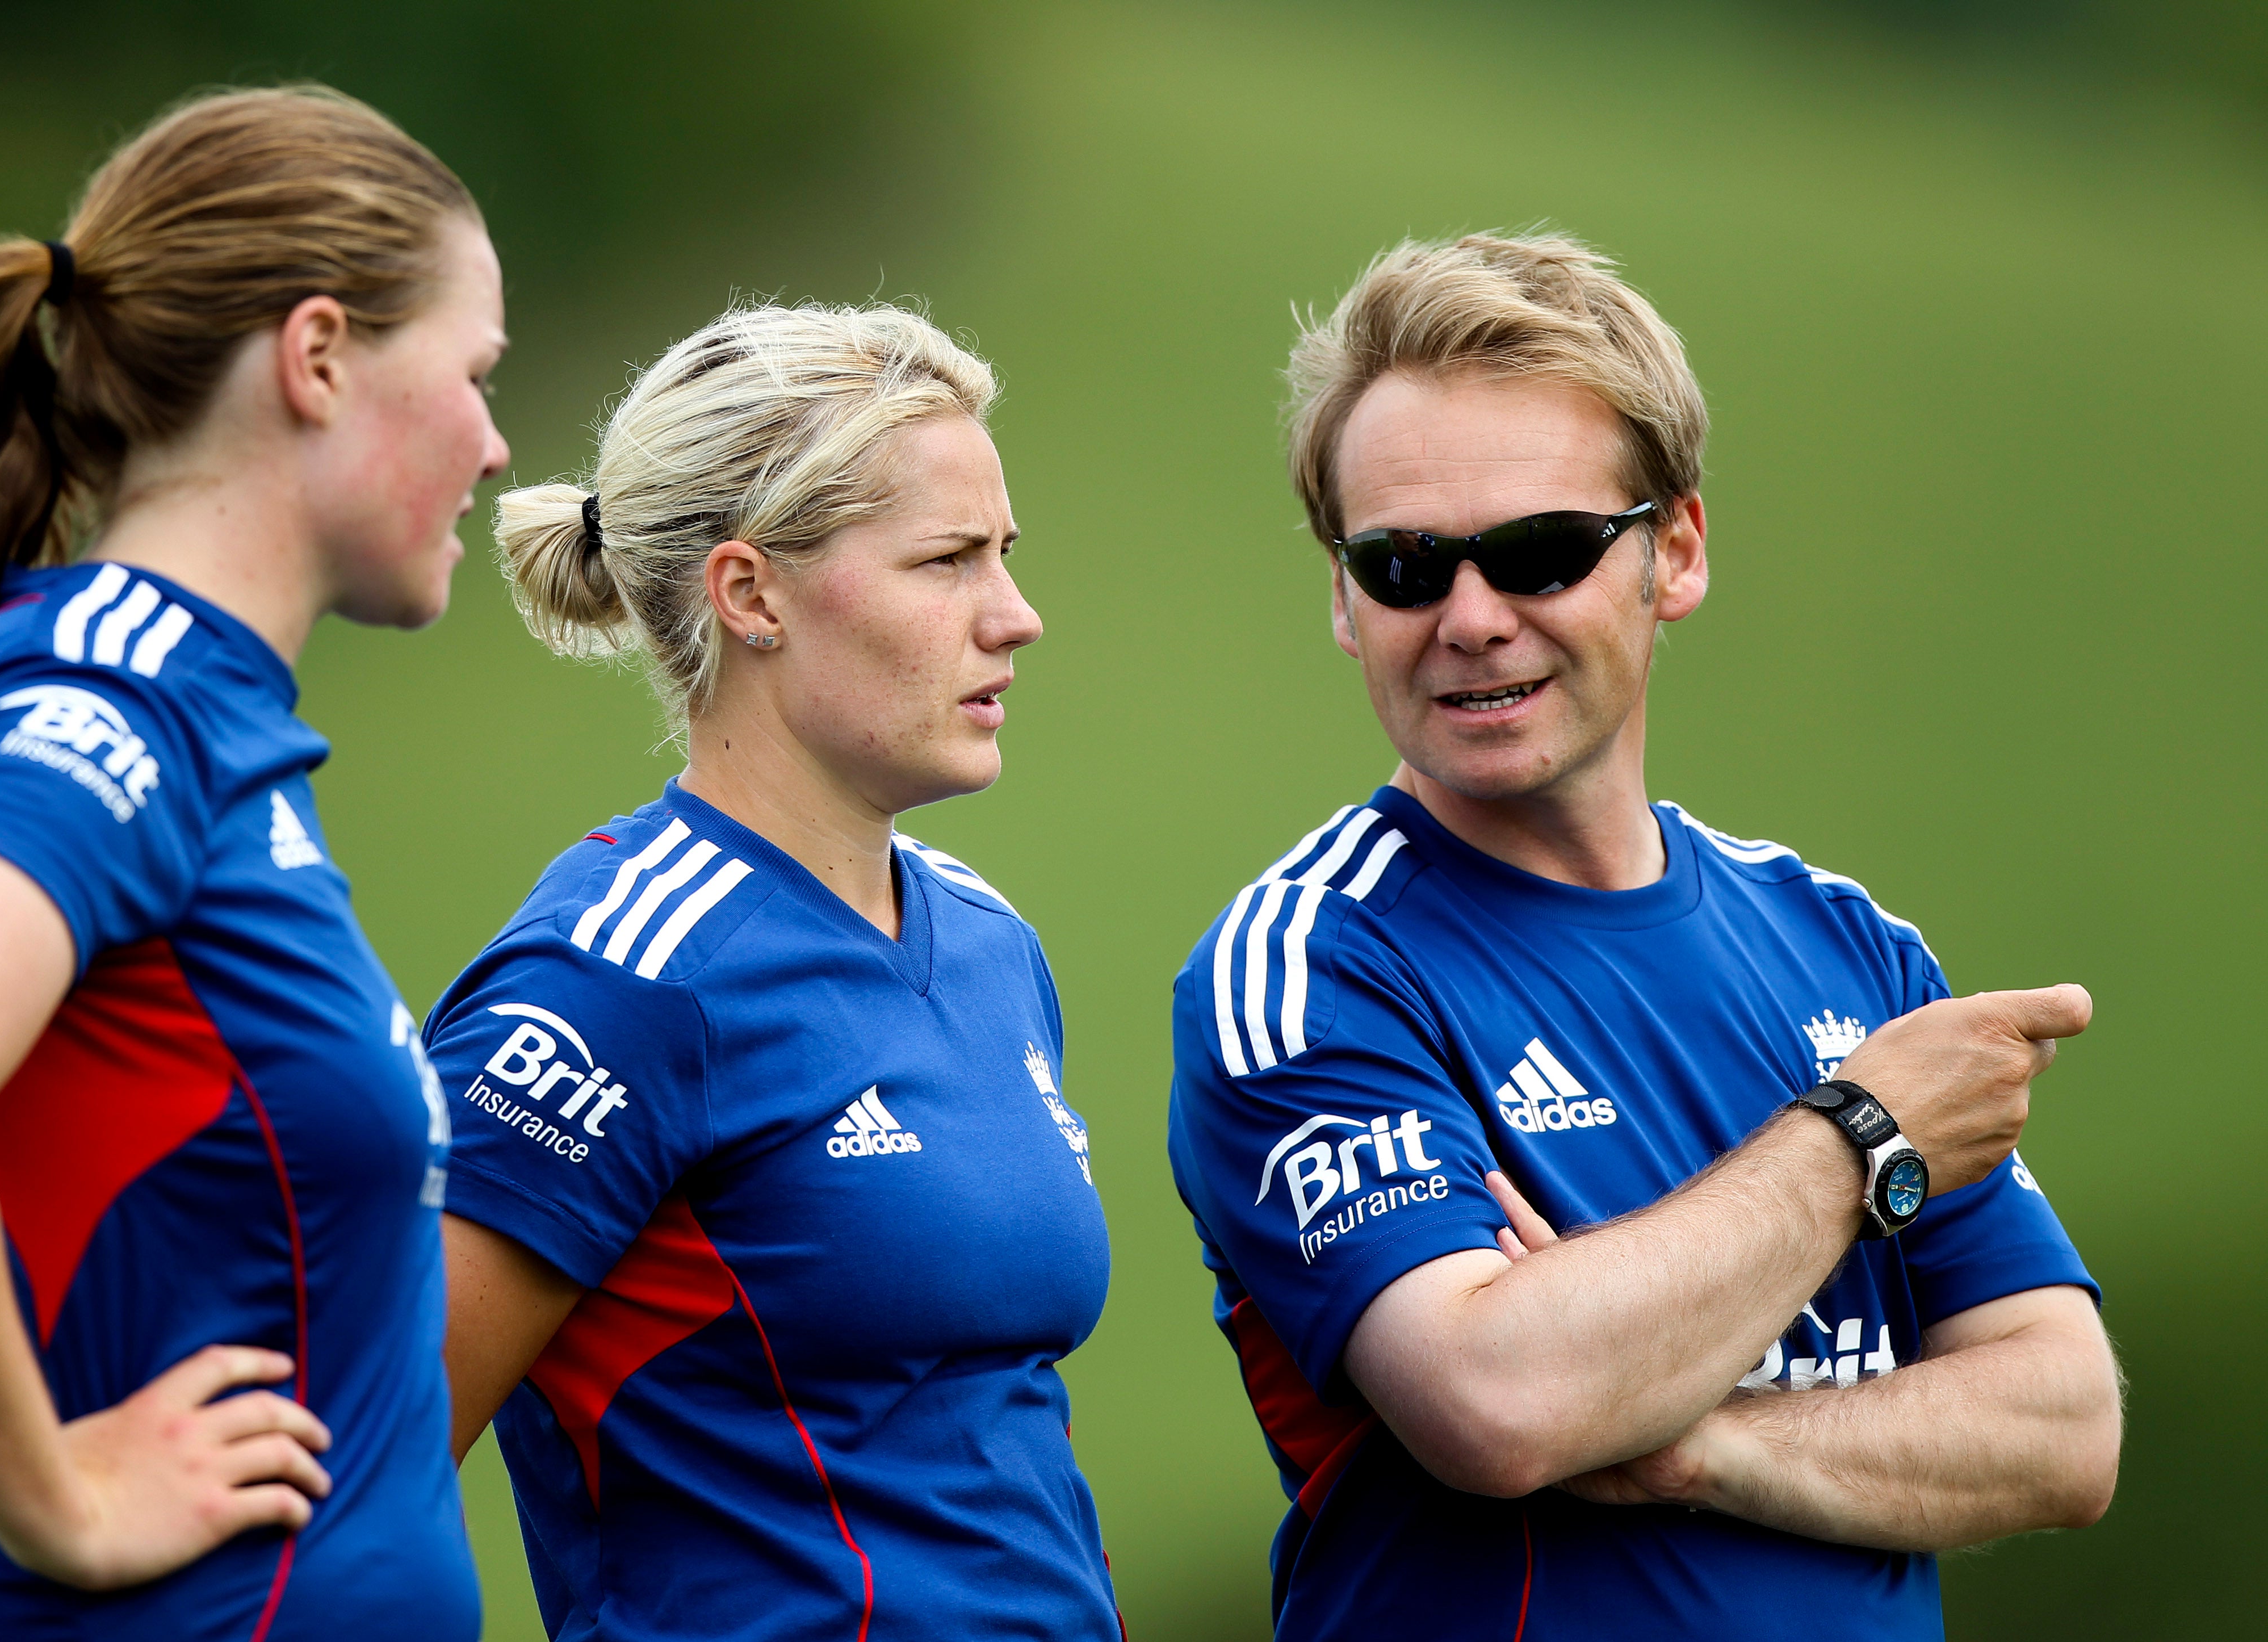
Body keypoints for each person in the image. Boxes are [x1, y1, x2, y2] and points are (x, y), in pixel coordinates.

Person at [1166, 232, 2120, 1640]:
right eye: (1405, 565)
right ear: (1341, 596)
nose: (1472, 619)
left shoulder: (1843, 943)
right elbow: (1498, 1402)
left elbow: (2060, 1422)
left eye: (1543, 553)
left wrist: (1700, 1438)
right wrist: (1864, 1139)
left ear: (1672, 552)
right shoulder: (1310, 968)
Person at [0, 86, 506, 1639]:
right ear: (317, 356)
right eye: (477, 375)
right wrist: (64, 1498)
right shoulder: (109, 699)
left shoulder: (202, 712)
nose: (497, 447)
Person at [426, 303, 1121, 1641]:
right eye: (947, 561)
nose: (1016, 616)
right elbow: (361, 1458)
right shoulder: (615, 984)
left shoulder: (990, 942)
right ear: (751, 596)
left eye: (1007, 556)